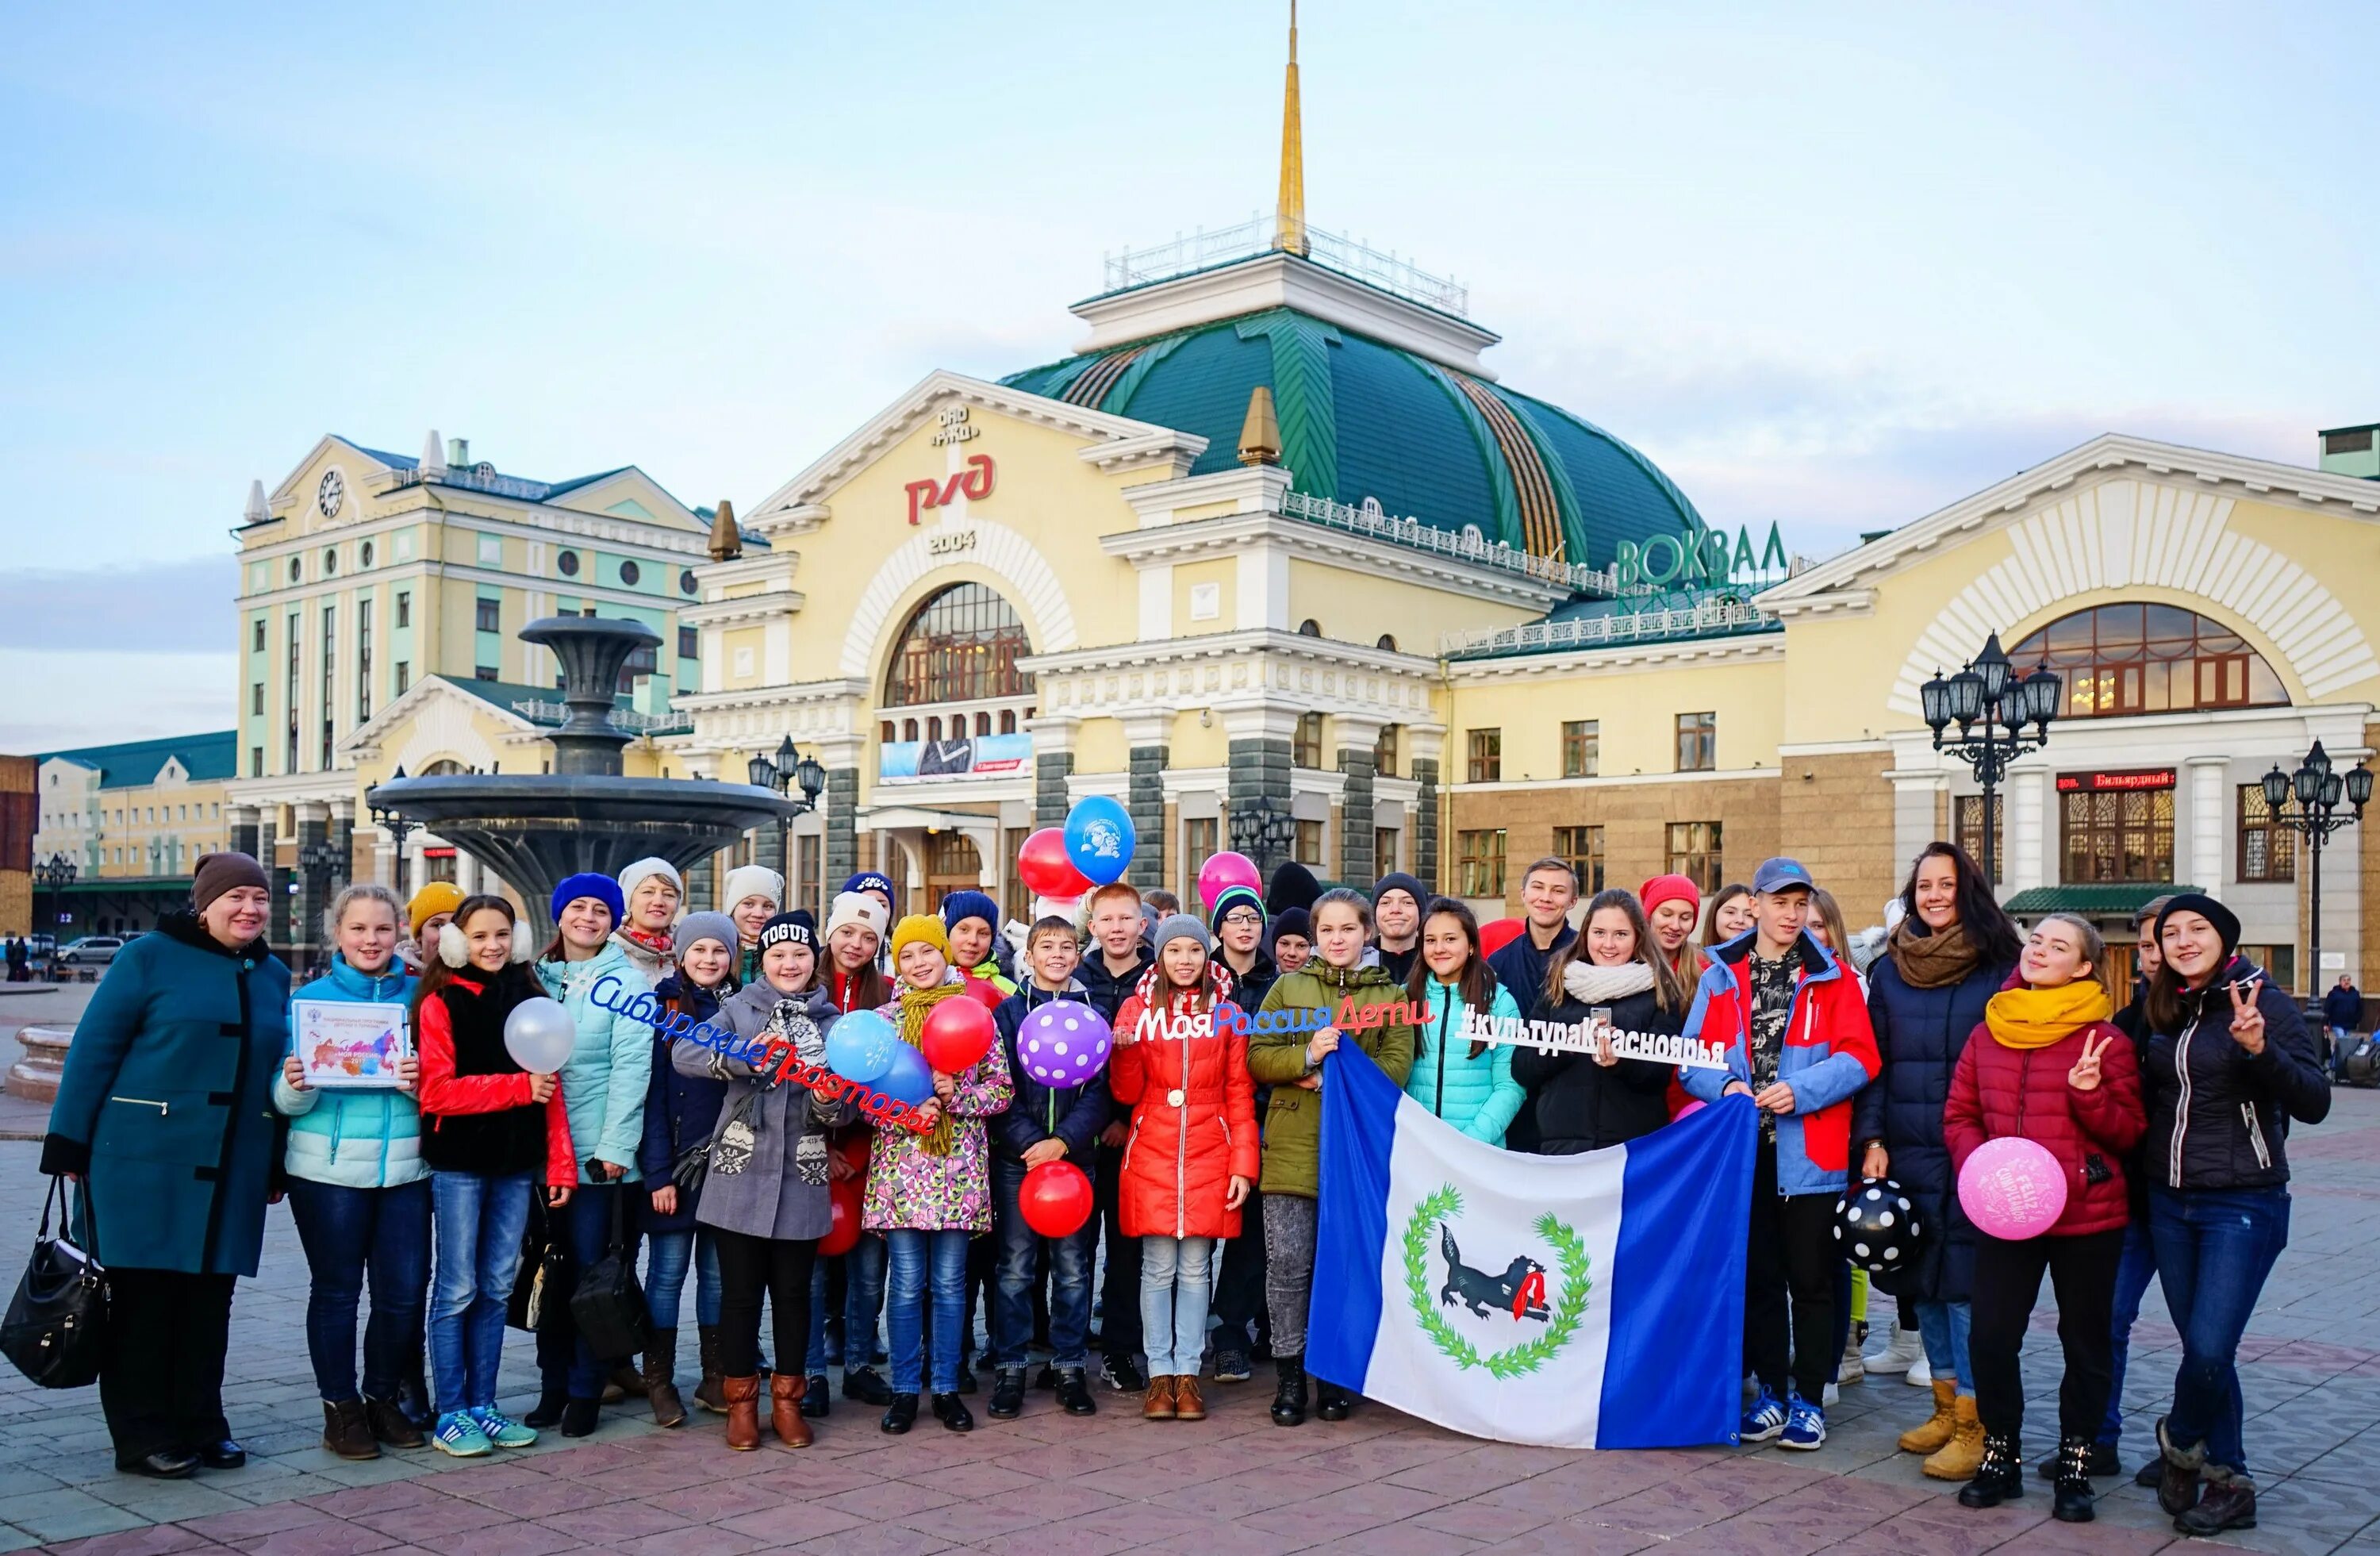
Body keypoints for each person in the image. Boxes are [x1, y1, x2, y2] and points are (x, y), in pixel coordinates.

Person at [40, 854, 287, 1478]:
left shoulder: (273, 973)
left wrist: (276, 1156)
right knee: (144, 1307)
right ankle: (142, 1434)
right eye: (235, 896)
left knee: (209, 1305)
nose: (249, 909)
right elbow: (95, 1048)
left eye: (259, 898)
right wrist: (68, 1140)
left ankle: (204, 1423)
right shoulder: (147, 956)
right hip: (142, 1164)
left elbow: (277, 1073)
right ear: (204, 903)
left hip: (231, 1167)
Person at [1946, 912, 2144, 1522]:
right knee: (1991, 1336)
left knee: (2084, 1342)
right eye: (2035, 939)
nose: (2039, 949)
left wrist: (2089, 1093)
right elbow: (1960, 1113)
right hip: (2008, 1213)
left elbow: (2129, 1131)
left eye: (2058, 945)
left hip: (2088, 1215)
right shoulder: (1989, 1031)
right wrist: (1985, 1166)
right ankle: (2000, 1452)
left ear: (2083, 966)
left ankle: (2077, 1459)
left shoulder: (2105, 1040)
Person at [2142, 893, 2328, 1537]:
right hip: (2169, 1201)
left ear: (2224, 937)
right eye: (2171, 932)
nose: (2184, 940)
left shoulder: (2264, 1002)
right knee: (2202, 1349)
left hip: (2243, 1200)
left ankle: (2180, 1441)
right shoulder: (2163, 1006)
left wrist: (2260, 1051)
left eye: (2198, 929)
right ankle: (2230, 1480)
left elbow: (2315, 1102)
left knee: (2213, 1345)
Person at [1680, 857, 1879, 1453]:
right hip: (1744, 1154)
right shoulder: (1720, 973)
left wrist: (1803, 1089)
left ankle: (1810, 1400)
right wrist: (1724, 1085)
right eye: (1780, 902)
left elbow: (1861, 1057)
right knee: (1760, 1278)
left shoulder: (1835, 977)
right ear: (1756, 904)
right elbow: (1689, 1056)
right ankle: (1770, 1391)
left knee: (1812, 1281)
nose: (1791, 914)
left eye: (1801, 904)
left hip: (1810, 1153)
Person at [1852, 841, 2021, 1480]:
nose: (1934, 895)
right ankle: (1946, 1408)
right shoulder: (1892, 970)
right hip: (1908, 1145)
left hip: (1976, 1149)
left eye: (1946, 884)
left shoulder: (2002, 962)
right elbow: (1877, 1064)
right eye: (1924, 885)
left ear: (1967, 889)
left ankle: (1979, 1421)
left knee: (1968, 1289)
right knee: (1921, 1281)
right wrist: (1872, 1137)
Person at [413, 893, 574, 1458]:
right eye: (479, 935)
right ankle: (451, 1409)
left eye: (501, 934)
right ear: (458, 941)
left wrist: (560, 1164)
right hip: (459, 1164)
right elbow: (435, 1092)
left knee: (497, 1286)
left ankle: (484, 1403)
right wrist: (514, 1089)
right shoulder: (440, 1001)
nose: (492, 945)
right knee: (457, 1287)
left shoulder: (530, 995)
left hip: (515, 1165)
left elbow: (552, 1092)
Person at [1250, 887, 1415, 1425]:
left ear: (1367, 932)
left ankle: (1336, 1375)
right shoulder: (1286, 987)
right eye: (1328, 930)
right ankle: (1291, 1374)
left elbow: (1397, 1063)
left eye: (1349, 929)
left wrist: (1344, 1078)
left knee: (1342, 1265)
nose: (1338, 938)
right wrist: (1305, 1055)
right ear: (1315, 936)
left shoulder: (1391, 996)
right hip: (1292, 1145)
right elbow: (1257, 1055)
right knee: (1289, 1266)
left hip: (1355, 1153)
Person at [274, 883, 428, 1460]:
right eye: (359, 928)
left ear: (399, 934)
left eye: (383, 929)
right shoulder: (309, 1002)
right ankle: (340, 1408)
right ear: (337, 933)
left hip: (407, 1169)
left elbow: (446, 1085)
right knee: (337, 1292)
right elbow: (282, 1097)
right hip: (327, 1170)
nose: (371, 939)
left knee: (403, 1293)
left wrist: (422, 1084)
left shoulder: (421, 997)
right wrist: (293, 1086)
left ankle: (381, 1397)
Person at [692, 911, 855, 1448]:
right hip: (739, 1175)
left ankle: (788, 1402)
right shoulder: (738, 1009)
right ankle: (741, 1405)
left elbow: (849, 1106)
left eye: (801, 954)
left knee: (793, 1295)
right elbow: (684, 1051)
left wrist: (833, 1103)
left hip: (802, 1177)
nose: (790, 963)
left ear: (815, 961)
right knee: (738, 1296)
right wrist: (741, 1056)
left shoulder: (833, 1024)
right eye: (779, 954)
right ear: (763, 960)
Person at [866, 915, 1015, 1433]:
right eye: (907, 956)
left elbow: (1002, 1088)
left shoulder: (975, 1015)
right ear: (897, 964)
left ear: (944, 954)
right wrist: (904, 1111)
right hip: (902, 1176)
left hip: (958, 1171)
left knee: (951, 1284)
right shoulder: (884, 1021)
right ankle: (906, 1389)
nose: (918, 963)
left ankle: (947, 1387)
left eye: (926, 952)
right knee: (907, 1284)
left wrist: (962, 1096)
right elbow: (862, 1099)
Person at [1110, 916, 1260, 1421]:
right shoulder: (1136, 1008)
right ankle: (1159, 1376)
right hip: (1151, 1148)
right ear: (1160, 956)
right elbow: (1126, 1092)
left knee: (1197, 1269)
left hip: (1209, 1152)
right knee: (1157, 1269)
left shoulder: (1228, 1014)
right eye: (1174, 950)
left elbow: (1239, 1094)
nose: (1185, 960)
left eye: (1194, 950)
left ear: (1206, 955)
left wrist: (1243, 1162)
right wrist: (1125, 1052)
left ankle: (1188, 1372)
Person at [531, 873, 655, 1437]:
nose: (588, 917)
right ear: (559, 915)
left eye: (600, 910)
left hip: (596, 1157)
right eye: (576, 906)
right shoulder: (534, 977)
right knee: (548, 1273)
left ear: (614, 920)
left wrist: (614, 1148)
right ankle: (550, 1383)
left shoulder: (628, 981)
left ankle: (585, 1387)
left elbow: (633, 1068)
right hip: (538, 1153)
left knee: (589, 1275)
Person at [986, 916, 1108, 1420]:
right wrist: (1032, 1143)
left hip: (1075, 1163)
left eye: (1067, 946)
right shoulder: (1008, 1014)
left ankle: (1069, 1365)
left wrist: (1064, 1141)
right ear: (1029, 956)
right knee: (1015, 1267)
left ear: (1077, 956)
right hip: (1019, 1161)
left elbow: (1102, 1092)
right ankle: (1011, 1365)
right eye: (1046, 946)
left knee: (1075, 1268)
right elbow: (1000, 1085)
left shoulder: (1095, 1013)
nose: (1057, 954)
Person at [635, 910, 738, 1427]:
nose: (709, 959)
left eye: (719, 950)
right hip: (676, 1167)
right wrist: (657, 1174)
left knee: (717, 1276)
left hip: (728, 1165)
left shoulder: (744, 1006)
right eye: (699, 949)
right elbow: (651, 1096)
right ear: (681, 954)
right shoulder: (663, 1008)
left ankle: (714, 1375)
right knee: (668, 1274)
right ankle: (659, 1379)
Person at [2082, 895, 2171, 1485]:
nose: (2155, 955)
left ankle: (2192, 1445)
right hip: (2136, 1201)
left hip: (2202, 1199)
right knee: (2106, 1318)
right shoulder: (2124, 1022)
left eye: (2163, 942)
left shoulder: (2223, 1013)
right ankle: (2098, 1438)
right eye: (2145, 945)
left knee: (2204, 1337)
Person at [1516, 889, 1686, 1153]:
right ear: (1585, 935)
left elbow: (1660, 1074)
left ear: (1638, 937)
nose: (1608, 944)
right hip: (1562, 1146)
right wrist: (1564, 1047)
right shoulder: (1560, 983)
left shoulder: (1659, 989)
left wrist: (1622, 1061)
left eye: (1621, 934)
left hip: (1632, 1150)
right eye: (1599, 933)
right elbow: (1522, 1067)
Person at [817, 892, 894, 1408]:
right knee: (813, 1273)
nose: (856, 944)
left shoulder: (886, 994)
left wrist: (859, 1152)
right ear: (830, 934)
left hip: (870, 1159)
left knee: (869, 1273)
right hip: (810, 1156)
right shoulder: (805, 988)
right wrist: (821, 1148)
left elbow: (890, 1079)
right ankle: (810, 1371)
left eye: (869, 937)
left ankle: (862, 1362)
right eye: (848, 932)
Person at [1079, 881, 1153, 1392]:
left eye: (1126, 919)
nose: (1116, 929)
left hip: (1139, 1132)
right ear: (1092, 927)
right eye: (1106, 920)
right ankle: (1066, 1347)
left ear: (1142, 925)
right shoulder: (1075, 979)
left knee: (1128, 1251)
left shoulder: (1160, 979)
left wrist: (1125, 1117)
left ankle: (1121, 1348)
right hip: (1081, 1134)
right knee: (1075, 1248)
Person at [1207, 884, 1277, 1380]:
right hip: (1205, 1122)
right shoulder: (1197, 978)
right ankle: (1175, 1340)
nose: (1245, 926)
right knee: (1191, 1240)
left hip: (1261, 1119)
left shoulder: (1280, 983)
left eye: (1253, 918)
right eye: (1234, 918)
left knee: (1250, 1235)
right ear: (1219, 928)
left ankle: (1232, 1333)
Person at [1400, 897, 1526, 1145]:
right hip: (1416, 1148)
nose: (1439, 948)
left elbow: (1511, 1086)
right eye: (1430, 940)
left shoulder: (1499, 1003)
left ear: (1470, 945)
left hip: (1478, 1151)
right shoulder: (1404, 997)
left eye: (1450, 939)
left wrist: (1470, 1142)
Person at [1486, 858, 1579, 1020]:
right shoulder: (1499, 962)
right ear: (1523, 894)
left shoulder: (1586, 955)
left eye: (1558, 891)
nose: (1546, 898)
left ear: (1572, 901)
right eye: (1537, 887)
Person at [614, 858, 682, 986]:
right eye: (648, 892)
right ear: (629, 901)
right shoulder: (606, 953)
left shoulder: (687, 957)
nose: (658, 902)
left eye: (668, 895)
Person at [942, 890, 1016, 997]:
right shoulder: (925, 982)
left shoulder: (1010, 992)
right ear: (947, 934)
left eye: (983, 933)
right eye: (964, 930)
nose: (973, 940)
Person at [721, 864, 783, 985]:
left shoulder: (785, 953)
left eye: (768, 906)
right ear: (733, 908)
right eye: (749, 904)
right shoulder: (718, 949)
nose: (759, 914)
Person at [1641, 874, 1703, 988]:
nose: (1675, 926)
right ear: (1649, 916)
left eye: (1685, 918)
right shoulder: (1629, 964)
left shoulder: (1705, 971)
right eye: (1667, 915)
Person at [1369, 872, 1427, 983]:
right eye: (1385, 903)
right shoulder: (1359, 961)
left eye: (1407, 903)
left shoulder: (1435, 961)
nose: (1395, 910)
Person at [397, 881, 464, 974]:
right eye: (438, 925)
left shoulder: (482, 980)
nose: (449, 934)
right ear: (419, 934)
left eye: (457, 924)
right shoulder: (393, 979)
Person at [2324, 973, 2362, 1079]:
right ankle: (2336, 1065)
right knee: (2342, 1041)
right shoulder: (2334, 994)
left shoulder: (2355, 994)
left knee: (2343, 1045)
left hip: (2350, 1024)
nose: (2347, 982)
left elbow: (2360, 1008)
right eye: (2344, 980)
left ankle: (2334, 1064)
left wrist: (2357, 1019)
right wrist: (2326, 1023)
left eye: (2348, 980)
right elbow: (2328, 1008)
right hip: (2337, 1023)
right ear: (2340, 982)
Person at [1702, 882, 1754, 951]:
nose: (1740, 920)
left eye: (1749, 915)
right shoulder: (1693, 959)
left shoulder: (1766, 960)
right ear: (1714, 915)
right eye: (1730, 912)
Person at [1269, 906, 1314, 977]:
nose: (1292, 953)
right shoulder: (1260, 982)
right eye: (1285, 944)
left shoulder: (1320, 986)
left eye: (1301, 946)